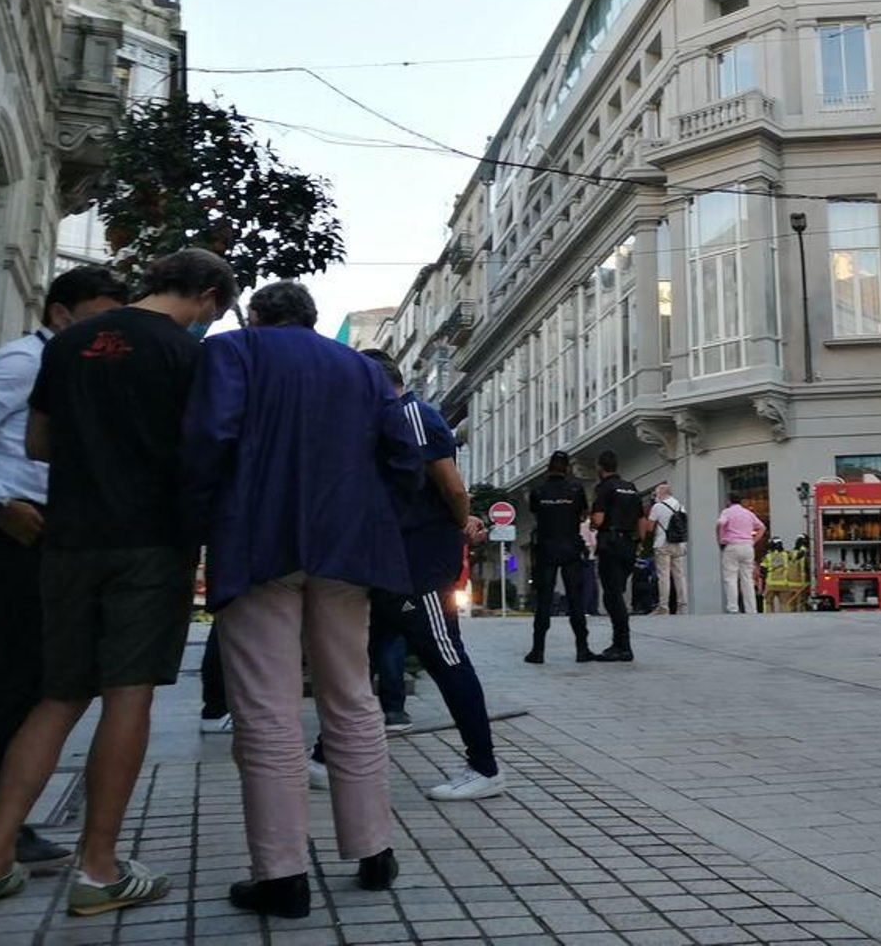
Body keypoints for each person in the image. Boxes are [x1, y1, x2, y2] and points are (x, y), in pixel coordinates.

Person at [0, 248, 234, 919]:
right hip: (150, 542)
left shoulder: (66, 344)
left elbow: (36, 444)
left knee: (56, 696)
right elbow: (205, 448)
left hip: (66, 540)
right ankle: (98, 870)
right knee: (127, 697)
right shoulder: (189, 355)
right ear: (208, 296)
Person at [184, 282, 422, 919]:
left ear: (258, 317)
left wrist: (197, 523)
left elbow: (208, 441)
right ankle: (374, 851)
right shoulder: (362, 369)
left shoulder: (231, 352)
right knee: (352, 696)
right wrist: (373, 516)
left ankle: (282, 876)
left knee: (267, 708)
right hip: (347, 548)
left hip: (257, 543)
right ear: (312, 320)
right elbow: (404, 456)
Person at [0, 267, 127, 876]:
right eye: (99, 317)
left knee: (33, 674)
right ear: (61, 314)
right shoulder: (22, 362)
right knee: (17, 675)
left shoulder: (69, 366)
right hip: (10, 530)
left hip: (48, 531)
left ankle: (0, 821)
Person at [360, 349, 504, 801]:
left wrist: (461, 522)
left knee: (445, 655)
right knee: (363, 653)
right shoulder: (390, 420)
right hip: (397, 561)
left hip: (421, 562)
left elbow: (452, 486)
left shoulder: (412, 415)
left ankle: (485, 767)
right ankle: (327, 755)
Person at [526, 452, 592, 663]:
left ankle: (538, 651)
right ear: (568, 469)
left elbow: (535, 512)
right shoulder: (576, 490)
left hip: (546, 549)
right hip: (571, 548)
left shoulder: (538, 491)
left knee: (544, 600)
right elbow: (583, 514)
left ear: (548, 468)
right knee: (575, 599)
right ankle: (582, 649)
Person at [590, 451, 644, 662]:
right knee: (618, 592)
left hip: (611, 545)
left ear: (600, 467)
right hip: (629, 545)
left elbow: (599, 519)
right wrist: (638, 543)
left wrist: (593, 521)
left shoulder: (604, 488)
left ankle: (622, 645)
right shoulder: (630, 487)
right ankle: (621, 644)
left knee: (612, 596)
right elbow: (641, 521)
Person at [716, 495, 765, 614]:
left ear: (729, 501)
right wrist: (753, 541)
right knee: (747, 579)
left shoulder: (727, 512)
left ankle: (733, 607)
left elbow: (720, 523)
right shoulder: (748, 513)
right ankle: (751, 609)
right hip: (747, 547)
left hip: (732, 546)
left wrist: (721, 539)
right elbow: (762, 527)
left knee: (730, 578)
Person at [646, 482, 688, 615]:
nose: (655, 496)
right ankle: (682, 606)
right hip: (679, 544)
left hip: (663, 543)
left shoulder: (657, 506)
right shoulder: (680, 506)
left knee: (663, 576)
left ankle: (664, 606)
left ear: (661, 493)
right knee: (679, 575)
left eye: (656, 493)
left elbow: (649, 527)